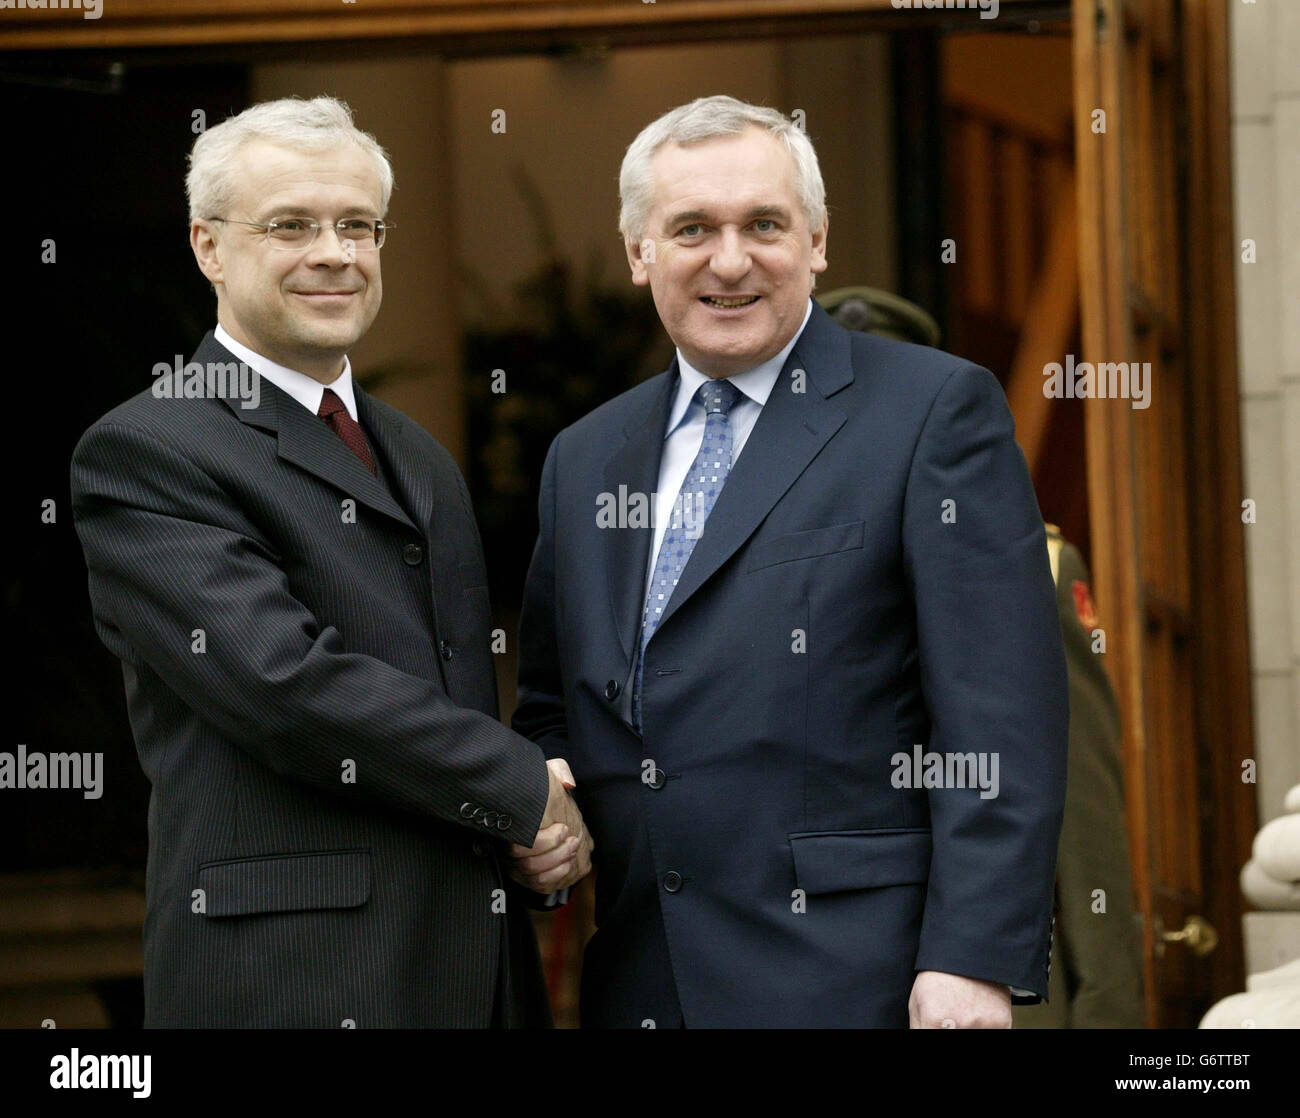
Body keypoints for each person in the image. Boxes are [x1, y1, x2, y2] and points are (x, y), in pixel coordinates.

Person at [512, 95, 1068, 1028]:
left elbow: (1000, 711)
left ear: (815, 241)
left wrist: (973, 955)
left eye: (763, 224)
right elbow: (549, 708)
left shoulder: (934, 413)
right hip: (646, 983)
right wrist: (541, 801)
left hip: (864, 983)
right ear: (638, 251)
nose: (731, 260)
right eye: (692, 228)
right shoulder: (585, 457)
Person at [70, 95, 590, 1028]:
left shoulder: (416, 451)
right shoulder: (148, 449)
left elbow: (448, 698)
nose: (335, 252)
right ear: (209, 247)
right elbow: (284, 684)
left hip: (479, 973)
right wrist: (522, 790)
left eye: (359, 225)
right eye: (291, 225)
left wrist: (530, 842)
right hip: (299, 978)